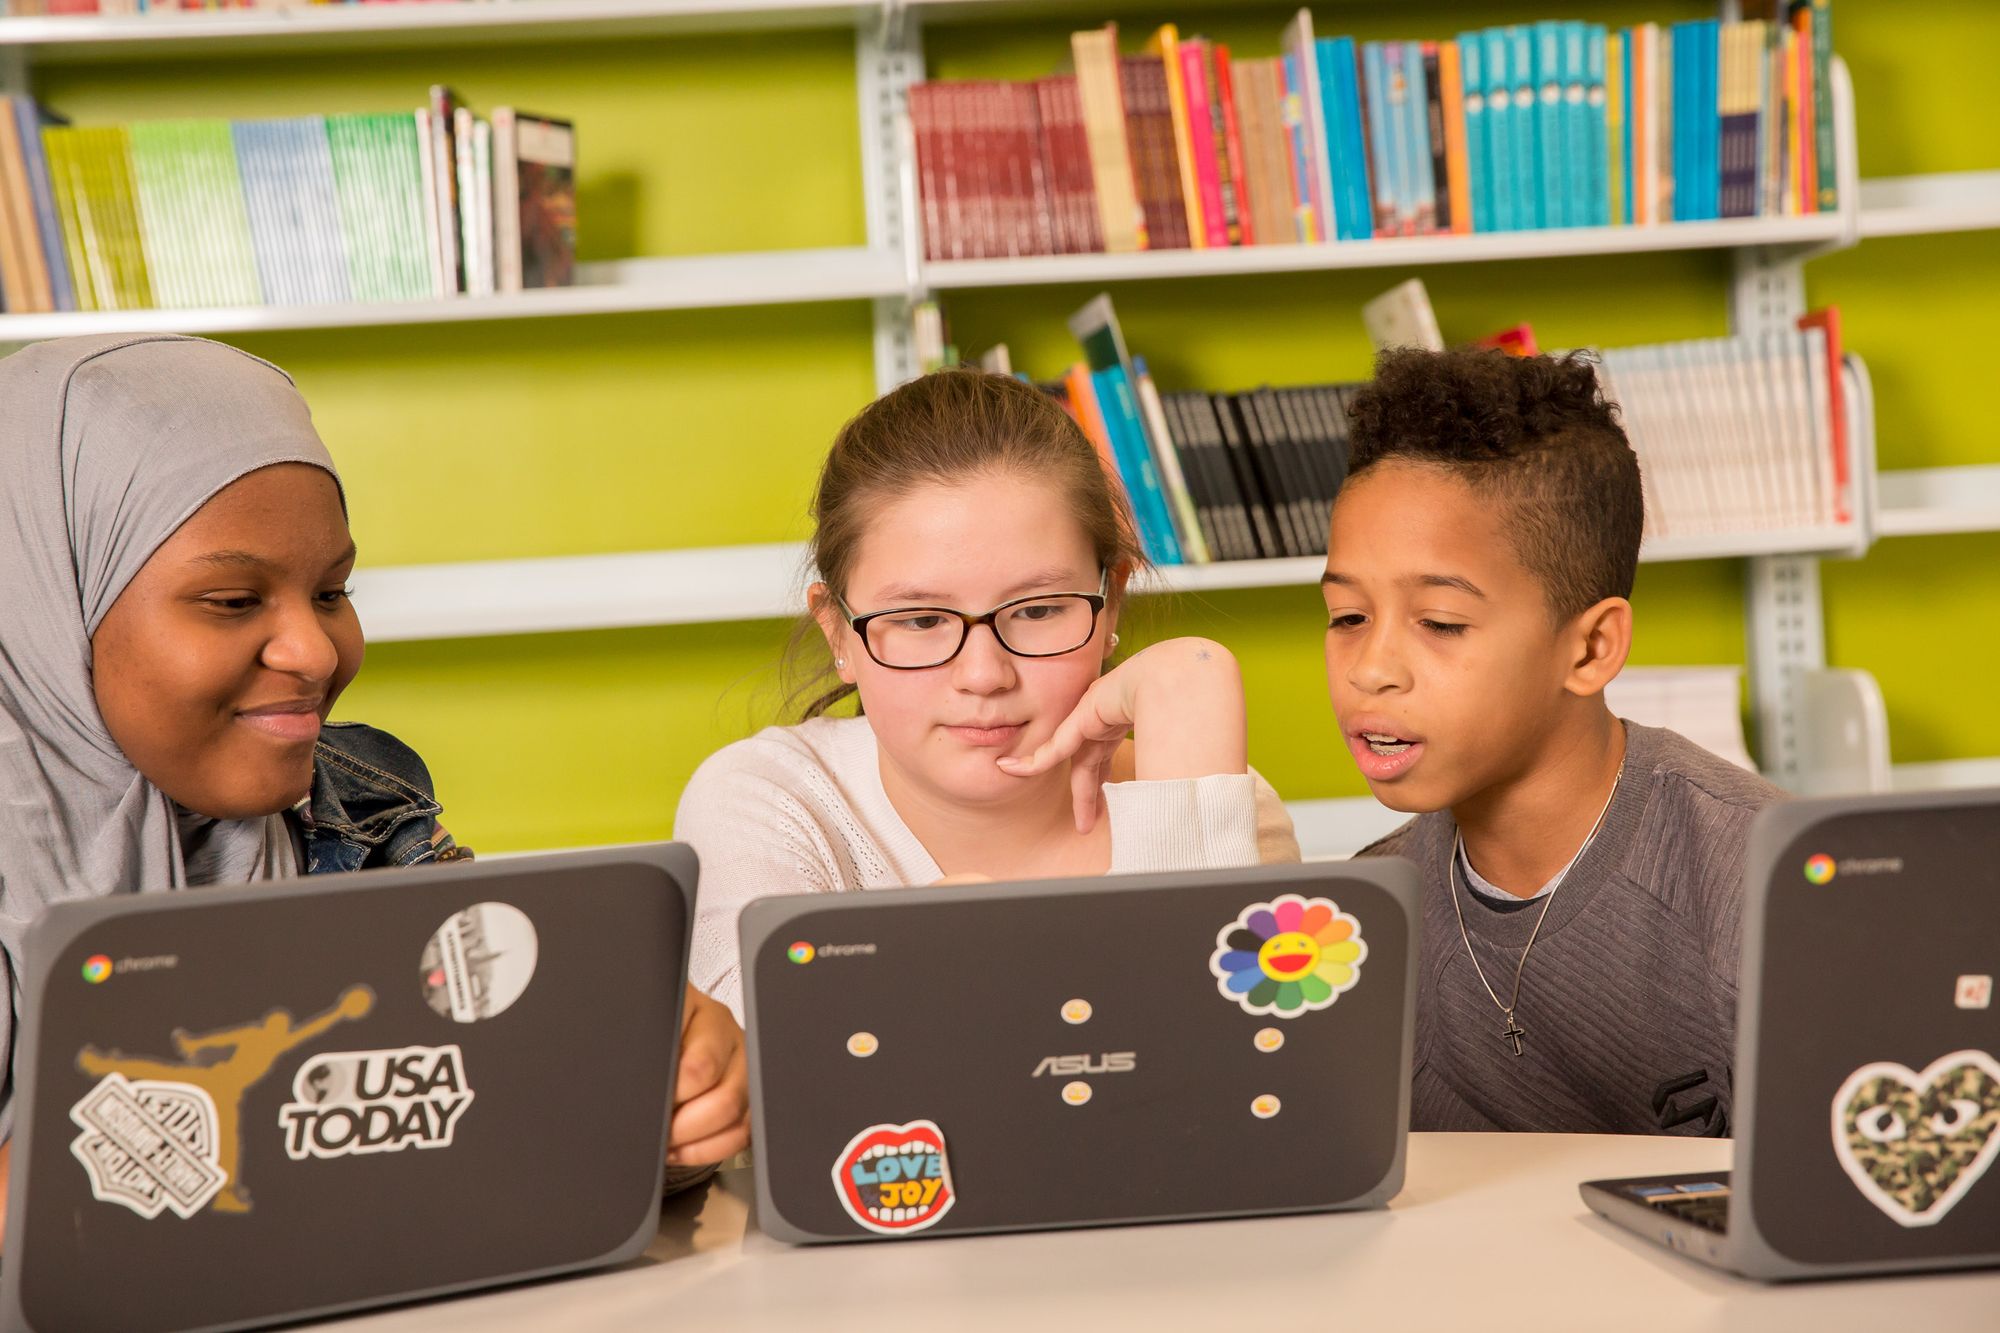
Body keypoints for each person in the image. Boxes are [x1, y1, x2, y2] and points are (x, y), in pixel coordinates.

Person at [0, 334, 747, 1244]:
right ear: (43, 602)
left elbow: (488, 1123)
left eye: (331, 592)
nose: (315, 653)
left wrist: (652, 1106)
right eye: (234, 601)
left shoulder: (361, 810)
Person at [677, 367, 1300, 1017]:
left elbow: (1224, 1083)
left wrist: (1190, 688)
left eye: (1036, 611)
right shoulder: (764, 801)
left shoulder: (1217, 796)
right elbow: (783, 1081)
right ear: (838, 631)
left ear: (1110, 602)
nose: (983, 674)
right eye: (921, 620)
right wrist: (940, 948)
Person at [1323, 346, 1780, 1136]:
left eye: (1440, 623)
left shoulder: (1762, 882)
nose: (1371, 669)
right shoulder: (1363, 915)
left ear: (1593, 647)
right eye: (1347, 616)